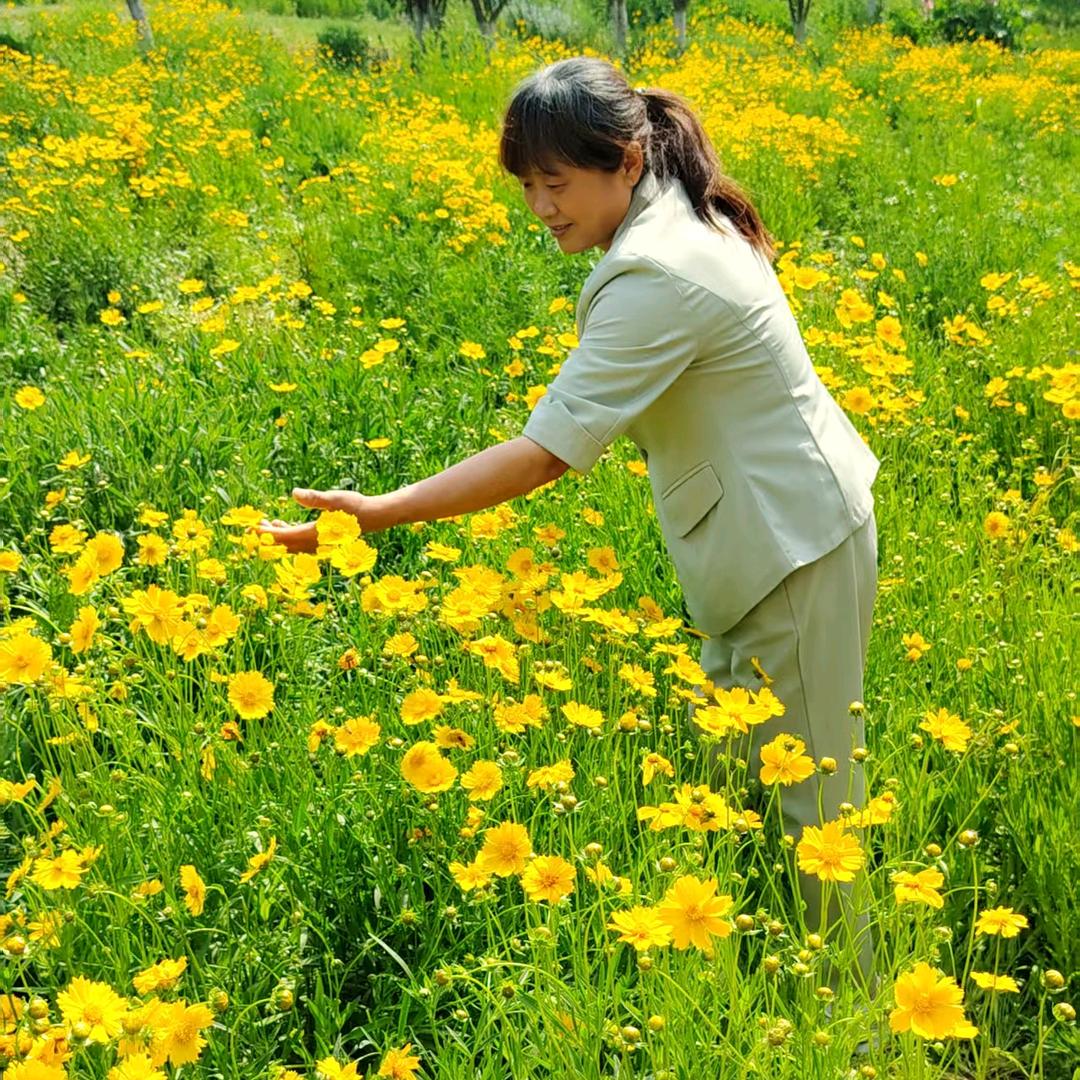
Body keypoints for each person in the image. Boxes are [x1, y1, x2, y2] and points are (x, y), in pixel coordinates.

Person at [256, 56, 880, 995]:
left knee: (813, 809)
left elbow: (545, 452)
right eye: (529, 187)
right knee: (737, 779)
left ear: (626, 161)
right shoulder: (671, 199)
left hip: (790, 545)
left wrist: (380, 513)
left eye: (557, 184)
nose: (542, 209)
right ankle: (755, 975)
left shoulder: (660, 271)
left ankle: (857, 1022)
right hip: (768, 535)